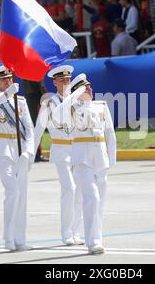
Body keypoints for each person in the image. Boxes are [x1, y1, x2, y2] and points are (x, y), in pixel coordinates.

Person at [55, 73, 117, 254]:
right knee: (92, 198)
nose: (89, 89)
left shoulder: (101, 106)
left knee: (100, 202)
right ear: (77, 92)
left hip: (100, 159)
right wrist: (73, 95)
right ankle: (93, 242)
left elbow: (110, 133)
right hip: (82, 160)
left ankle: (98, 236)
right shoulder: (70, 108)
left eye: (89, 86)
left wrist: (111, 159)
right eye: (85, 87)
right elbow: (57, 116)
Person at [0, 65, 35, 251]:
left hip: (20, 150)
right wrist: (6, 94)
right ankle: (8, 237)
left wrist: (29, 152)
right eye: (3, 79)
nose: (8, 81)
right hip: (3, 149)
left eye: (10, 78)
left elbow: (29, 128)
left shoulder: (20, 101)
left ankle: (20, 238)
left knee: (22, 195)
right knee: (12, 191)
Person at [33, 65, 84, 246]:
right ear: (54, 82)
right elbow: (39, 128)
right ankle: (66, 233)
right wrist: (31, 153)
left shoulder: (78, 100)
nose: (65, 83)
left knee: (79, 192)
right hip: (61, 150)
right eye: (61, 80)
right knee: (68, 189)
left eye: (68, 80)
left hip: (78, 150)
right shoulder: (49, 102)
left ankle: (75, 231)